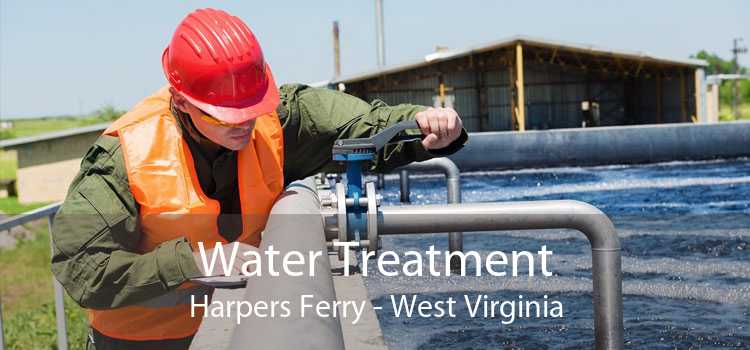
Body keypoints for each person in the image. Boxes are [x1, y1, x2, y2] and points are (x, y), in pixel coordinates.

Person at [51, 8, 467, 349]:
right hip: (139, 343)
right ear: (181, 101)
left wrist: (425, 127)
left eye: (252, 108)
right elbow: (82, 269)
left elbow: (364, 125)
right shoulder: (123, 156)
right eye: (227, 116)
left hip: (242, 325)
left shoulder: (278, 118)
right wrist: (196, 262)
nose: (245, 124)